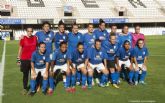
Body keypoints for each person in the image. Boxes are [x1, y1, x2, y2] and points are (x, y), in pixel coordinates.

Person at [17, 26, 37, 95]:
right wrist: (18, 60)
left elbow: (37, 48)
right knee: (25, 75)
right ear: (26, 32)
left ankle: (32, 88)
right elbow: (20, 49)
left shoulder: (35, 38)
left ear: (32, 31)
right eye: (28, 31)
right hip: (24, 60)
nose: (30, 32)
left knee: (33, 75)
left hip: (33, 60)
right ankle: (25, 88)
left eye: (31, 31)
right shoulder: (23, 38)